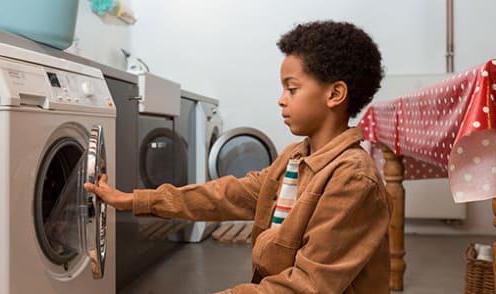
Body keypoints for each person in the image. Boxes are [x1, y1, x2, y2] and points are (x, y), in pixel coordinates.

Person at [85, 20, 391, 293]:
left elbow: (307, 286)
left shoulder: (352, 179)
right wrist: (133, 200)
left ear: (335, 94)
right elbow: (225, 195)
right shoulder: (296, 157)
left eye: (292, 89)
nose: (281, 99)